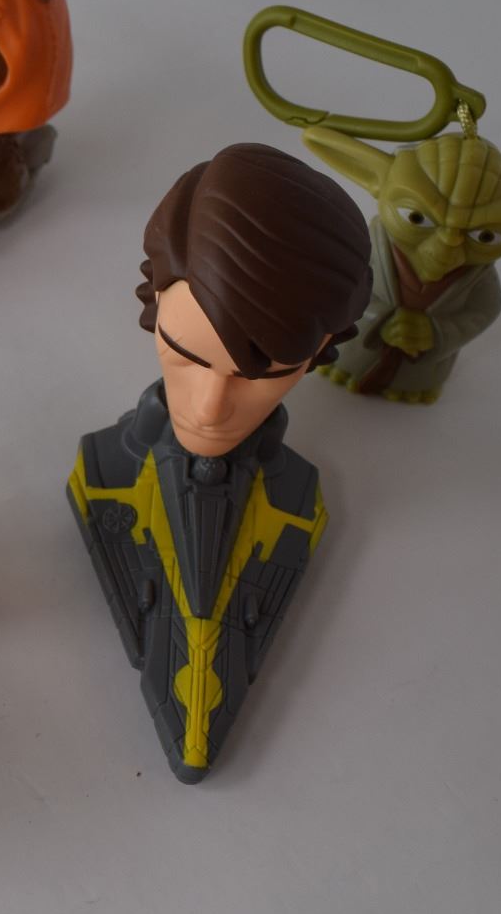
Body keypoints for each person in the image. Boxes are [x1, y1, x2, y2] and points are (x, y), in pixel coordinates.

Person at [67, 143, 373, 782]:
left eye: (263, 375)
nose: (210, 408)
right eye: (186, 354)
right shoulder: (102, 471)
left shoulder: (296, 501)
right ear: (152, 301)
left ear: (324, 348)